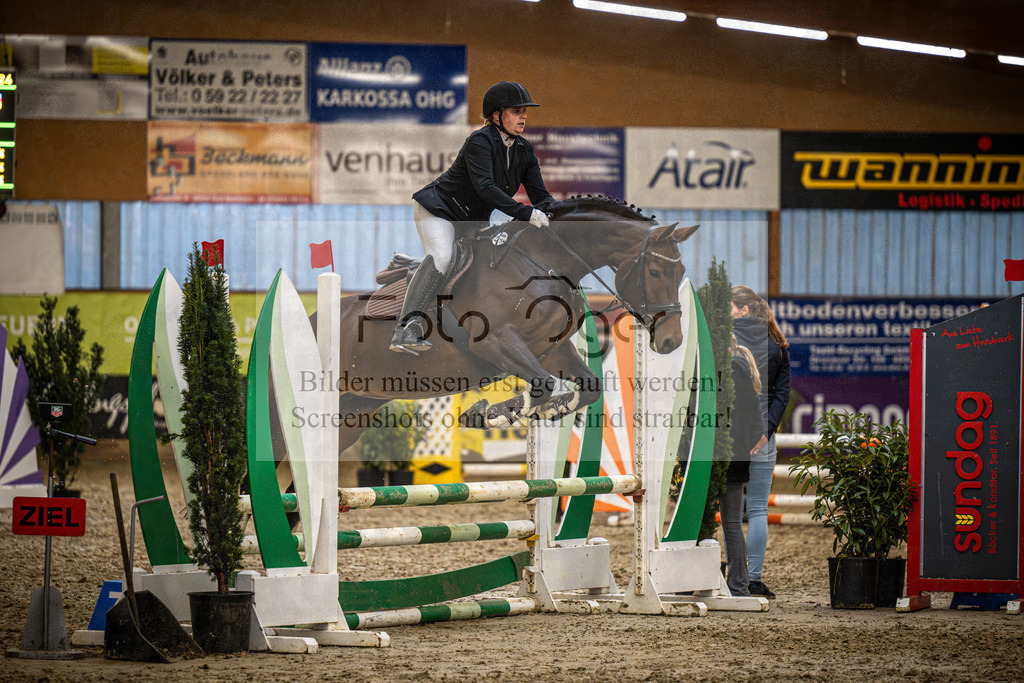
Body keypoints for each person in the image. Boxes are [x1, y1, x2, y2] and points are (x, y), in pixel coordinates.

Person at [390, 80, 554, 354]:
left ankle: (418, 268)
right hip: (439, 210)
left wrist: (560, 214)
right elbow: (486, 189)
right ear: (496, 115)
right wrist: (526, 213)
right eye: (516, 110)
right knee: (442, 257)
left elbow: (541, 196)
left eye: (525, 110)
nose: (524, 115)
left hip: (472, 222)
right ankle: (405, 327)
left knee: (488, 265)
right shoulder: (480, 141)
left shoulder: (524, 150)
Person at [730, 285, 791, 599]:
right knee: (756, 511)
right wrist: (766, 430)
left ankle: (733, 577)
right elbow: (783, 395)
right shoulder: (777, 346)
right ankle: (753, 579)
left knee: (728, 512)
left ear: (743, 310)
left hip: (730, 435)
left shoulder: (726, 342)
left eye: (729, 306)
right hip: (763, 438)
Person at [720, 336, 764, 597]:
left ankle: (706, 580)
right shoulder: (746, 373)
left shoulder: (725, 371)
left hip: (717, 455)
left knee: (706, 522)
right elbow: (757, 424)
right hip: (737, 458)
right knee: (732, 523)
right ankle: (739, 585)